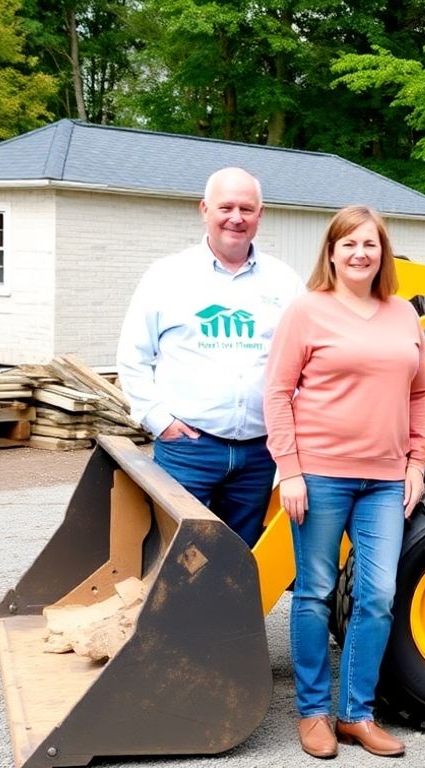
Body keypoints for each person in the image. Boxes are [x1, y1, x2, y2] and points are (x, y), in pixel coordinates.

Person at [263, 205, 425, 760]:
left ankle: (357, 714)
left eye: (371, 244)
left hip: (385, 481)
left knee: (378, 597)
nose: (361, 253)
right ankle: (313, 714)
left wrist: (415, 462)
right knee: (313, 594)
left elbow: (421, 394)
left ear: (383, 253)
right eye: (349, 244)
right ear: (331, 252)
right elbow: (277, 394)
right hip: (320, 476)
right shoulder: (307, 312)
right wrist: (289, 470)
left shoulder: (403, 314)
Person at [117, 167, 303, 547]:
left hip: (257, 455)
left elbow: (305, 361)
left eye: (247, 209)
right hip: (189, 451)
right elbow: (133, 356)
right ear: (204, 209)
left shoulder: (285, 283)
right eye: (226, 207)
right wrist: (160, 421)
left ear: (260, 215)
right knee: (177, 556)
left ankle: (231, 611)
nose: (236, 218)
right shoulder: (167, 276)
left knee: (240, 557)